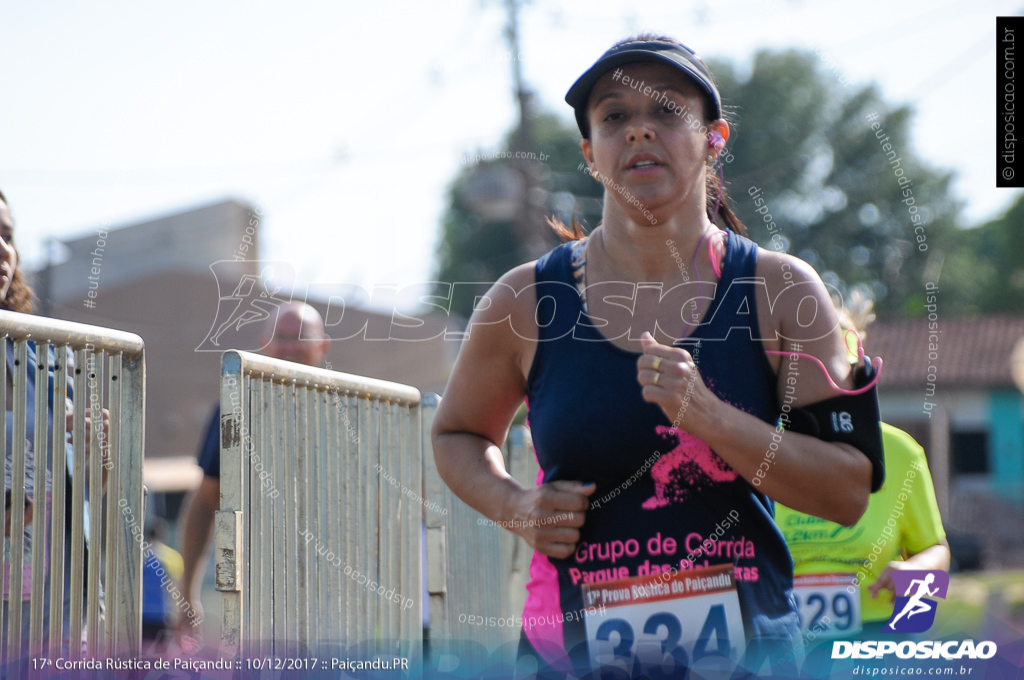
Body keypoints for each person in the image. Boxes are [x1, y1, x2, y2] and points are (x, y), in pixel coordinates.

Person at [431, 35, 884, 678]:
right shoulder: (525, 299)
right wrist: (516, 506)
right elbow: (456, 433)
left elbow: (847, 492)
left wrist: (712, 418)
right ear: (590, 153)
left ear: (714, 137)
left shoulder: (780, 291)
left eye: (667, 111)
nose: (640, 132)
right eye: (615, 117)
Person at [776, 297, 948, 642]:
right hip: (784, 647)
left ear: (859, 376)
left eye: (837, 379)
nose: (826, 395)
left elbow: (939, 557)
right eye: (813, 380)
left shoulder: (900, 452)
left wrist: (914, 573)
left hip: (880, 641)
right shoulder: (761, 450)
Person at [179, 301, 330, 636]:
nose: (290, 347)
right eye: (282, 336)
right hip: (257, 604)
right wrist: (187, 592)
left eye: (301, 337)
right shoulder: (236, 407)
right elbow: (205, 502)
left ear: (323, 345)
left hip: (334, 599)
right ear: (265, 343)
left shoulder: (348, 410)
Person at [0, 189, 102, 664]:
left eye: (7, 235)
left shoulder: (40, 356)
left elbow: (85, 489)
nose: (3, 249)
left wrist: (96, 457)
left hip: (58, 616)